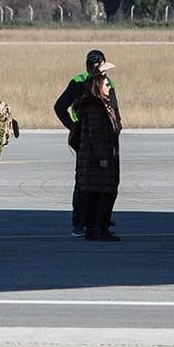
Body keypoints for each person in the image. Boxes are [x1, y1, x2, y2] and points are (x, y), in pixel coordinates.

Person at [54, 49, 121, 237]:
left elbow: (113, 107)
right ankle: (80, 221)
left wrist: (116, 127)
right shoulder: (79, 82)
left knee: (104, 181)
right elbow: (59, 106)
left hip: (103, 136)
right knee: (85, 181)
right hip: (87, 136)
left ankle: (98, 219)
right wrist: (73, 126)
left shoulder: (107, 82)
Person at [72, 67, 121, 241]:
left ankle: (96, 229)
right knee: (101, 194)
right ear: (99, 86)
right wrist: (102, 158)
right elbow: (95, 135)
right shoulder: (94, 108)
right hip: (97, 160)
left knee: (101, 193)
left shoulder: (104, 105)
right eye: (106, 85)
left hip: (106, 156)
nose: (109, 87)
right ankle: (98, 229)